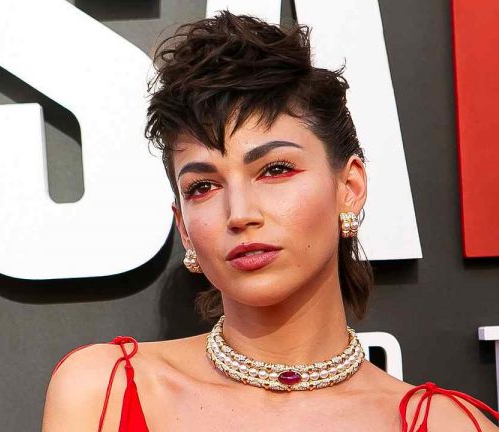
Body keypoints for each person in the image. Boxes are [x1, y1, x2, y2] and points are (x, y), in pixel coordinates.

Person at [41, 11, 499, 432]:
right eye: (203, 186)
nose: (240, 214)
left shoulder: (449, 426)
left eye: (275, 170)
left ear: (349, 186)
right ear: (183, 226)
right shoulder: (105, 391)